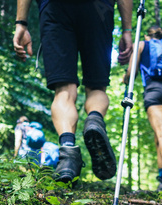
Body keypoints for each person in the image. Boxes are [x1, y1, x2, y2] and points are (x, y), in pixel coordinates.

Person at [13, 0, 133, 184]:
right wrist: (127, 30)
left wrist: (21, 23)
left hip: (55, 9)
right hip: (99, 9)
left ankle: (68, 153)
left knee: (64, 91)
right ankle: (94, 119)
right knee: (96, 87)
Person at [123, 26, 162, 193]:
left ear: (146, 35)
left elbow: (132, 69)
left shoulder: (142, 44)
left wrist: (126, 79)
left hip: (155, 89)